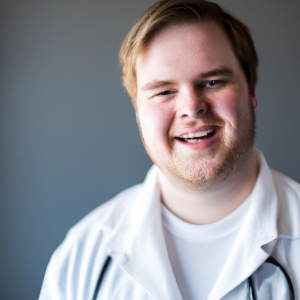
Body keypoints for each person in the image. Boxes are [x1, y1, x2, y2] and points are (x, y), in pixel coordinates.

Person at [39, 0, 300, 299]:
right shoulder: (81, 257)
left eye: (213, 82)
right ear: (137, 110)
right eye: (164, 91)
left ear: (251, 90)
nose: (192, 107)